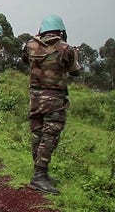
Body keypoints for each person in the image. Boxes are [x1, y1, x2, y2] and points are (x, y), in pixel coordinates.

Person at [22, 15, 81, 195]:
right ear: (61, 30)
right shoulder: (66, 49)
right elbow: (75, 72)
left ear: (42, 30)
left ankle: (41, 172)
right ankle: (39, 176)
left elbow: (26, 61)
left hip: (35, 97)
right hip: (54, 98)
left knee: (37, 133)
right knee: (50, 136)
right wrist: (74, 55)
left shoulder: (29, 46)